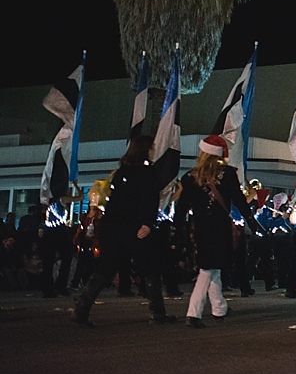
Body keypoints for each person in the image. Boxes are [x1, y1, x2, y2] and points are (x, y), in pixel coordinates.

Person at [73, 136, 176, 326]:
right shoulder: (147, 172)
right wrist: (147, 223)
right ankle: (157, 311)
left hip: (111, 225)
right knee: (150, 266)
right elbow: (149, 199)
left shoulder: (121, 172)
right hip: (133, 225)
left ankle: (82, 308)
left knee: (107, 267)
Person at [174, 135, 262, 328]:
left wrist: (177, 227)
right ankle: (193, 313)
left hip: (198, 228)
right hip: (219, 227)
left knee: (212, 267)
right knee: (208, 269)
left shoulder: (189, 177)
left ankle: (219, 308)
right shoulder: (227, 174)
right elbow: (239, 201)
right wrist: (252, 222)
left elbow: (182, 207)